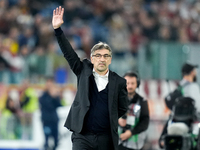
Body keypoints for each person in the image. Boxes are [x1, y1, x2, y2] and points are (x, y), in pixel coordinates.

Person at [52, 6, 128, 150]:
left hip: (106, 139)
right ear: (92, 59)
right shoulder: (83, 70)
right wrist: (58, 31)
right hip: (82, 136)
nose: (102, 59)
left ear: (110, 60)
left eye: (106, 56)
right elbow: (69, 53)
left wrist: (108, 117)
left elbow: (122, 107)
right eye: (98, 56)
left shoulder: (119, 82)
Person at [159, 62, 200, 148]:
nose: (195, 72)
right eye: (194, 71)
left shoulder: (179, 87)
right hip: (191, 122)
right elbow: (198, 107)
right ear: (192, 72)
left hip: (177, 119)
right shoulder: (193, 87)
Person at [118, 71, 149, 150]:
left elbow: (145, 122)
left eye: (132, 83)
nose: (130, 86)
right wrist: (118, 119)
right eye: (127, 83)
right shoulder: (115, 99)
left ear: (137, 84)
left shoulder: (142, 101)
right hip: (116, 142)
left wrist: (131, 132)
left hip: (134, 144)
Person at [39, 77, 62, 150]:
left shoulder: (55, 96)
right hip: (46, 120)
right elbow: (45, 105)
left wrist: (56, 96)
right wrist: (52, 96)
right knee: (47, 139)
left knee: (56, 140)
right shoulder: (43, 96)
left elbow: (59, 105)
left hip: (54, 120)